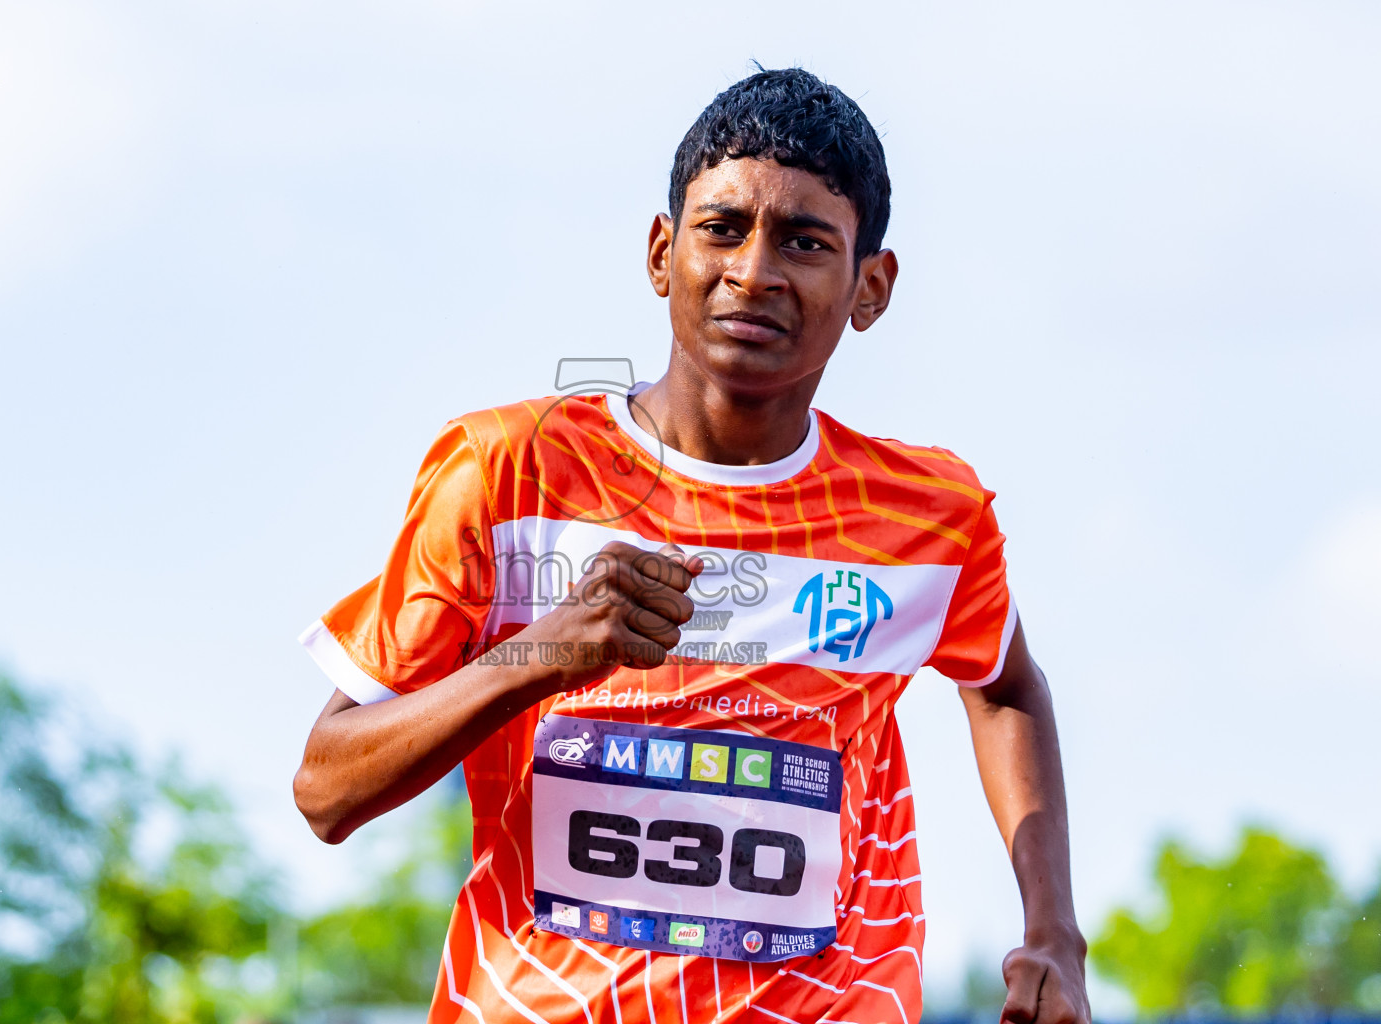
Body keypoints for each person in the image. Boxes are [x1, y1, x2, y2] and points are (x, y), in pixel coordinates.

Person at [293, 67, 1089, 1024]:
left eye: (804, 241)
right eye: (722, 229)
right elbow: (326, 789)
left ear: (870, 286)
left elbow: (1002, 686)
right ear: (662, 253)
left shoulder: (929, 518)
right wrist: (540, 655)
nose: (754, 271)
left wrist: (1054, 932)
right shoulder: (506, 474)